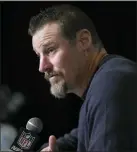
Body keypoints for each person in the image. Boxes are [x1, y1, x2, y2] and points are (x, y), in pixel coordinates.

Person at [28, 4, 137, 152]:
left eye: (50, 50)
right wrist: (57, 148)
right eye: (39, 56)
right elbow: (82, 135)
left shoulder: (111, 84)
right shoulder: (105, 81)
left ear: (83, 41)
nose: (42, 67)